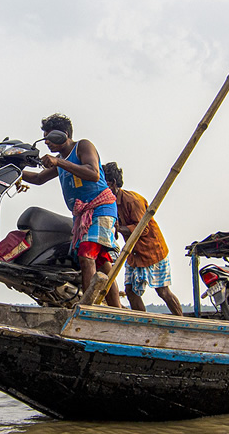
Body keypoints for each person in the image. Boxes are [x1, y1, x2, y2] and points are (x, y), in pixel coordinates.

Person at [21, 114, 122, 307]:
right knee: (102, 264)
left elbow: (93, 173)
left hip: (100, 207)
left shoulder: (82, 146)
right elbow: (38, 178)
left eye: (51, 137)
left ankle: (88, 307)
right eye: (45, 138)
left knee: (86, 255)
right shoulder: (60, 159)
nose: (47, 142)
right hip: (82, 214)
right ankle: (116, 309)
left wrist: (59, 163)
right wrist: (15, 170)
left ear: (64, 135)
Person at [103, 162, 183, 315]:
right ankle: (142, 322)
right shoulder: (111, 202)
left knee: (163, 291)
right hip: (133, 253)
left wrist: (118, 228)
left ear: (112, 183)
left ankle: (183, 322)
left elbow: (143, 228)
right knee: (130, 291)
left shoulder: (133, 201)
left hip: (152, 250)